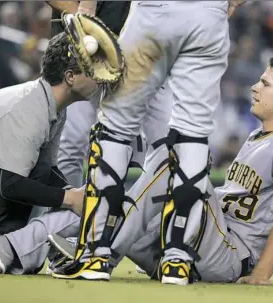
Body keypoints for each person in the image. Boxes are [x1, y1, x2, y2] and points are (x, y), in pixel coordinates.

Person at [0, 56, 273, 286]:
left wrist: (261, 275)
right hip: (194, 241)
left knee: (179, 158)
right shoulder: (258, 135)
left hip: (231, 254)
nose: (255, 87)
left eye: (265, 83)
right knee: (100, 199)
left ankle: (99, 251)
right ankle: (5, 250)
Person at [48, 0, 245, 283]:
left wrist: (87, 9)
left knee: (114, 126)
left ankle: (96, 255)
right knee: (193, 132)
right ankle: (177, 261)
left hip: (155, 11)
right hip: (209, 15)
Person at [0, 32, 98, 236]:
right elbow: (11, 185)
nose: (99, 76)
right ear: (70, 77)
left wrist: (77, 193)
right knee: (27, 170)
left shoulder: (52, 105)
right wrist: (69, 198)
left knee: (38, 167)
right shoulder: (30, 109)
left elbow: (48, 170)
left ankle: (2, 243)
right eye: (92, 70)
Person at [47, 1, 131, 188]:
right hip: (74, 47)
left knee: (121, 141)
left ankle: (110, 213)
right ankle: (67, 213)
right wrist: (82, 18)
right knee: (70, 145)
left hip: (123, 47)